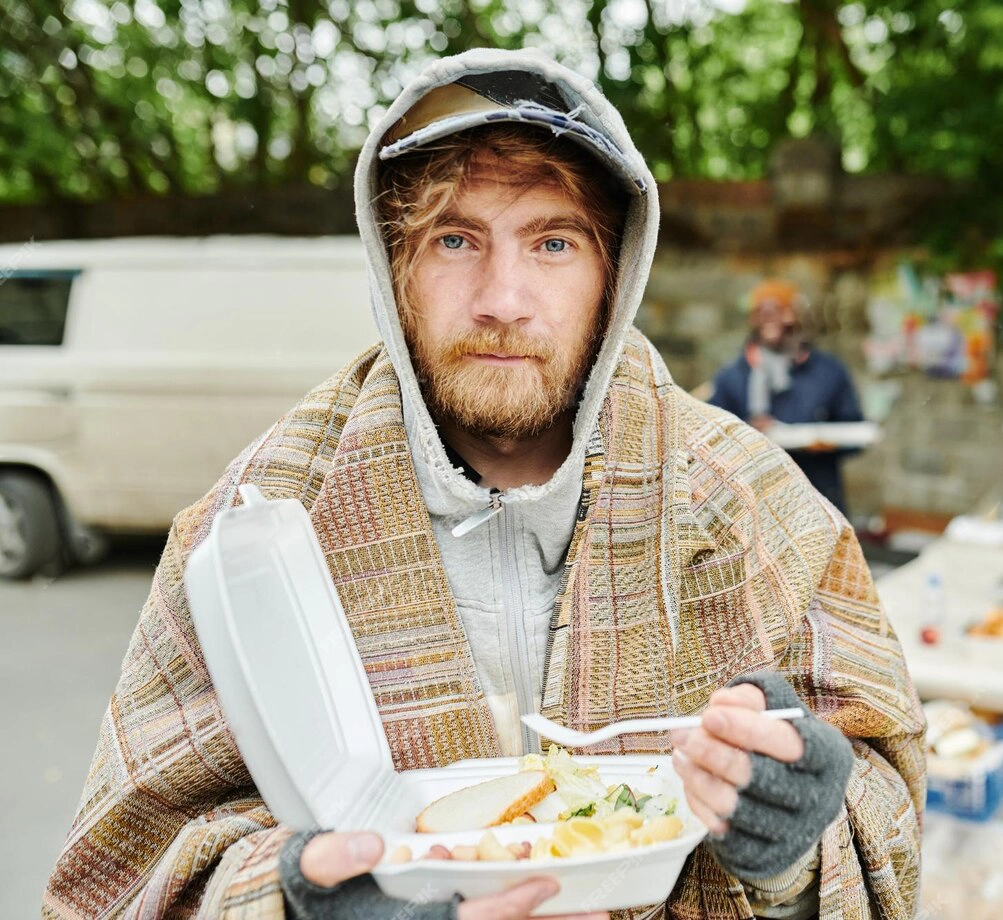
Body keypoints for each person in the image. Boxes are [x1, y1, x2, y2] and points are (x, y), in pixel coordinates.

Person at [44, 49, 924, 920]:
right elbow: (118, 874)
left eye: (553, 242)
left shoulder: (751, 501)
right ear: (393, 267)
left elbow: (885, 814)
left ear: (615, 274)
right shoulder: (258, 521)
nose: (503, 298)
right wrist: (288, 899)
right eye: (454, 240)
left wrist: (792, 843)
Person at [707, 279, 865, 514]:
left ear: (797, 316)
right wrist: (748, 433)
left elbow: (856, 433)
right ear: (752, 319)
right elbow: (712, 442)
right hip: (752, 504)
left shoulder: (829, 372)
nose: (769, 318)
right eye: (761, 311)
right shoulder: (731, 377)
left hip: (815, 498)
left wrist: (823, 441)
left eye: (778, 310)